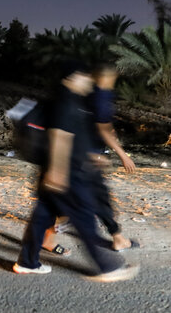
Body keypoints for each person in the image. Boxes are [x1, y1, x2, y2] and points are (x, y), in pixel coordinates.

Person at [13, 62, 139, 282]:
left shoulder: (68, 100)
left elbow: (75, 135)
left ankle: (27, 262)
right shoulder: (66, 100)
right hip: (67, 173)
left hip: (56, 171)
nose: (88, 80)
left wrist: (89, 156)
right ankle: (108, 267)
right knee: (83, 217)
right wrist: (58, 172)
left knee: (42, 216)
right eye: (83, 76)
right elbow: (60, 136)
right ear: (70, 78)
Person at [41, 63, 139, 254]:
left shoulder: (85, 95)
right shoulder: (100, 96)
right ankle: (115, 241)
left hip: (80, 154)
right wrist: (122, 155)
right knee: (97, 197)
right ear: (107, 78)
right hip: (87, 157)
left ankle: (48, 237)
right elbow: (102, 129)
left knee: (62, 198)